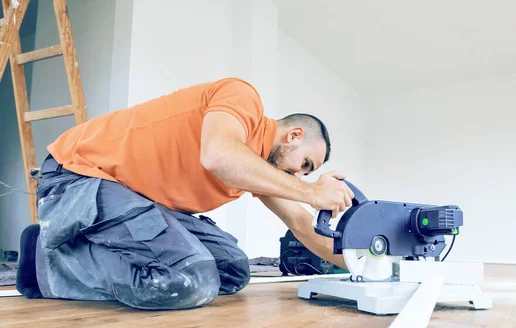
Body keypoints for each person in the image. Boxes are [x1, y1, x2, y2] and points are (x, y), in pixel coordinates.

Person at [16, 77, 354, 310]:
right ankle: (43, 261)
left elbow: (299, 222)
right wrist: (311, 192)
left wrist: (362, 267)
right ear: (293, 135)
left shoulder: (257, 170)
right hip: (80, 176)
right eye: (305, 164)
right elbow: (218, 155)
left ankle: (75, 242)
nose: (298, 174)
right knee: (189, 279)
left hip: (133, 199)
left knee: (232, 270)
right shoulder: (242, 98)